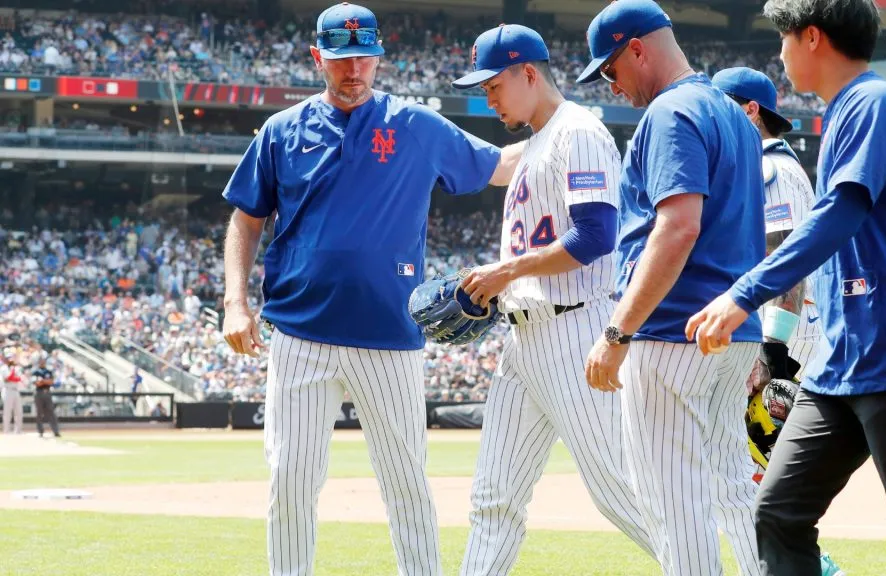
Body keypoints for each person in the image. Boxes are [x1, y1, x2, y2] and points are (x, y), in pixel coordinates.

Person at [219, 4, 522, 575]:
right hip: (300, 336)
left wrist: (567, 133)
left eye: (362, 57)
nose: (352, 69)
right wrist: (235, 301)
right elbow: (245, 217)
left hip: (389, 336)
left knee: (406, 486)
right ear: (318, 58)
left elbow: (500, 166)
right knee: (290, 483)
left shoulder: (417, 125)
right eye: (339, 59)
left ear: (379, 58)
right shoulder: (283, 130)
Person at [685, 0, 886, 573]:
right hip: (838, 364)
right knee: (778, 513)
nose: (780, 52)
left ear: (812, 37)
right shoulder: (845, 109)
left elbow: (842, 211)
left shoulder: (874, 101)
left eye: (784, 37)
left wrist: (743, 293)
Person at [450, 24, 655, 575]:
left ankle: (717, 563)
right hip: (523, 342)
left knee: (622, 491)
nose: (486, 97)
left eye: (493, 84)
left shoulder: (578, 131)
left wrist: (507, 270)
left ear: (530, 73)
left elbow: (594, 237)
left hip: (574, 330)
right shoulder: (535, 143)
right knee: (494, 499)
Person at [576, 1, 765, 574]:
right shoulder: (732, 115)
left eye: (610, 69)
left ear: (637, 49)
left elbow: (679, 226)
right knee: (733, 488)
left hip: (673, 333)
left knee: (675, 506)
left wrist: (616, 331)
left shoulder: (671, 112)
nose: (611, 84)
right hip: (732, 331)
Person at [711, 67, 844, 576]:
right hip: (775, 329)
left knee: (756, 477)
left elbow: (787, 264)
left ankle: (815, 569)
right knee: (748, 475)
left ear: (749, 111)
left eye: (722, 106)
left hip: (783, 332)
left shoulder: (773, 171)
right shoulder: (754, 168)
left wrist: (773, 350)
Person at [31, 358, 60, 438]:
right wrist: (45, 381)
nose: (42, 362)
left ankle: (56, 431)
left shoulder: (48, 371)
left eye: (43, 361)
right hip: (38, 393)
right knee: (39, 413)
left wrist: (42, 381)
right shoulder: (35, 372)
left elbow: (51, 382)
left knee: (51, 412)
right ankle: (40, 431)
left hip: (47, 392)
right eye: (40, 361)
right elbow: (37, 383)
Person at [2, 357, 24, 434]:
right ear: (6, 360)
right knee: (7, 412)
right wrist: (13, 373)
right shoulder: (3, 368)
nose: (10, 361)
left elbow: (19, 379)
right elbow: (7, 379)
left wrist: (13, 375)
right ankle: (6, 431)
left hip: (16, 390)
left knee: (19, 412)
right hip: (8, 390)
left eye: (11, 359)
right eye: (9, 359)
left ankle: (18, 431)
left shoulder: (17, 368)